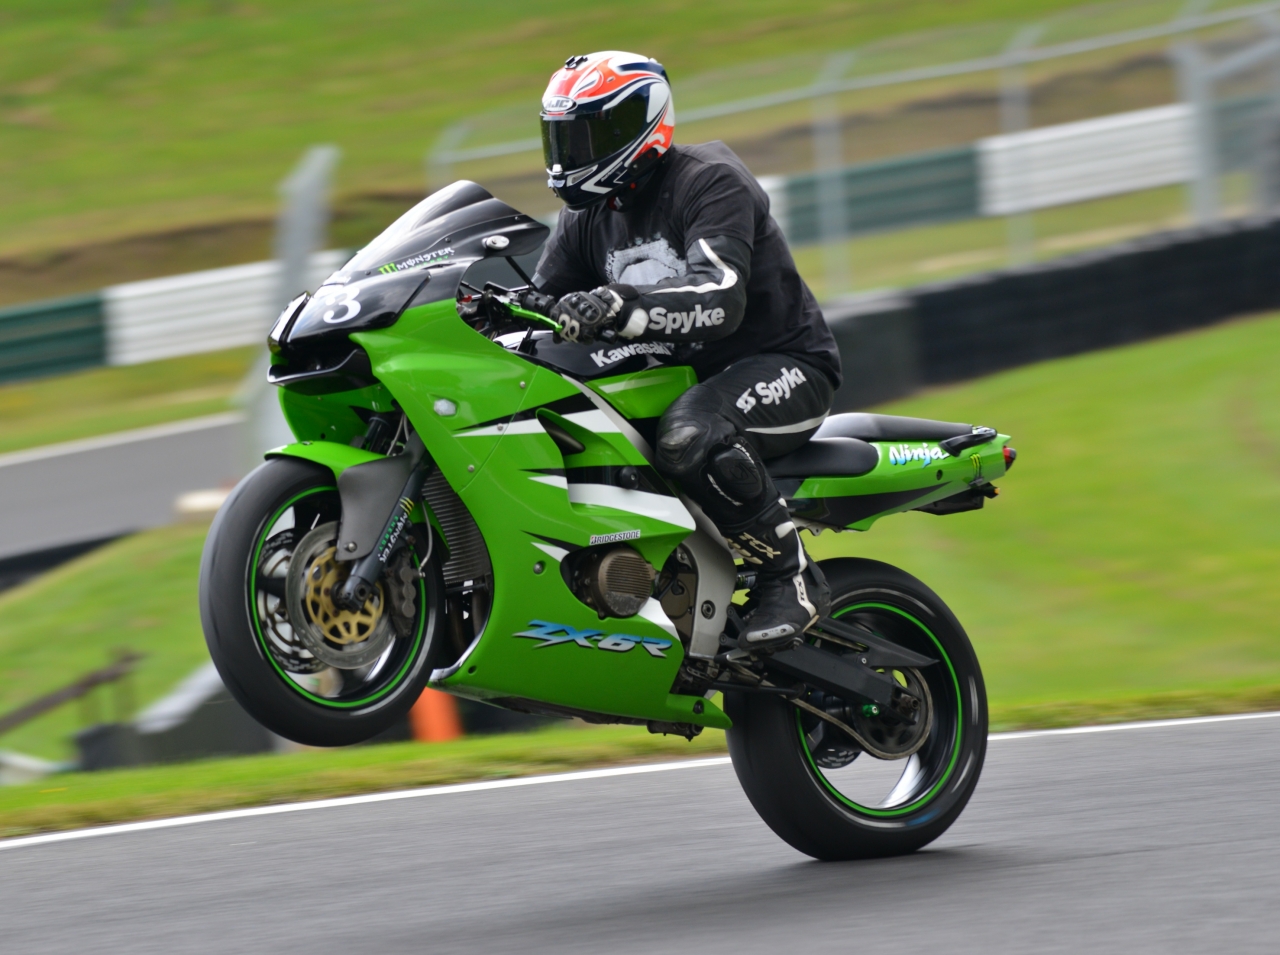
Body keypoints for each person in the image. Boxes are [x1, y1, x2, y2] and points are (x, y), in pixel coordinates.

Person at [531, 51, 842, 651]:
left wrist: (619, 305)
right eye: (562, 137)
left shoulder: (709, 181)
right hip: (678, 378)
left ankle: (792, 578)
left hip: (783, 364)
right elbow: (540, 301)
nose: (570, 153)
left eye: (587, 135)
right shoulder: (587, 217)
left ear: (640, 126)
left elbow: (722, 296)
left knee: (687, 435)